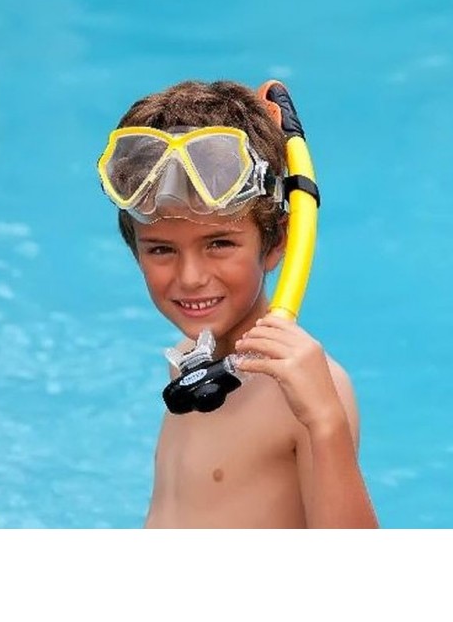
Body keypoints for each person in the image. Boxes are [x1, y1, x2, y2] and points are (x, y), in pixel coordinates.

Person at [97, 78, 379, 528]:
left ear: (276, 243)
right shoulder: (190, 367)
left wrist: (326, 421)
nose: (191, 277)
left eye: (219, 244)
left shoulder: (307, 392)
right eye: (162, 249)